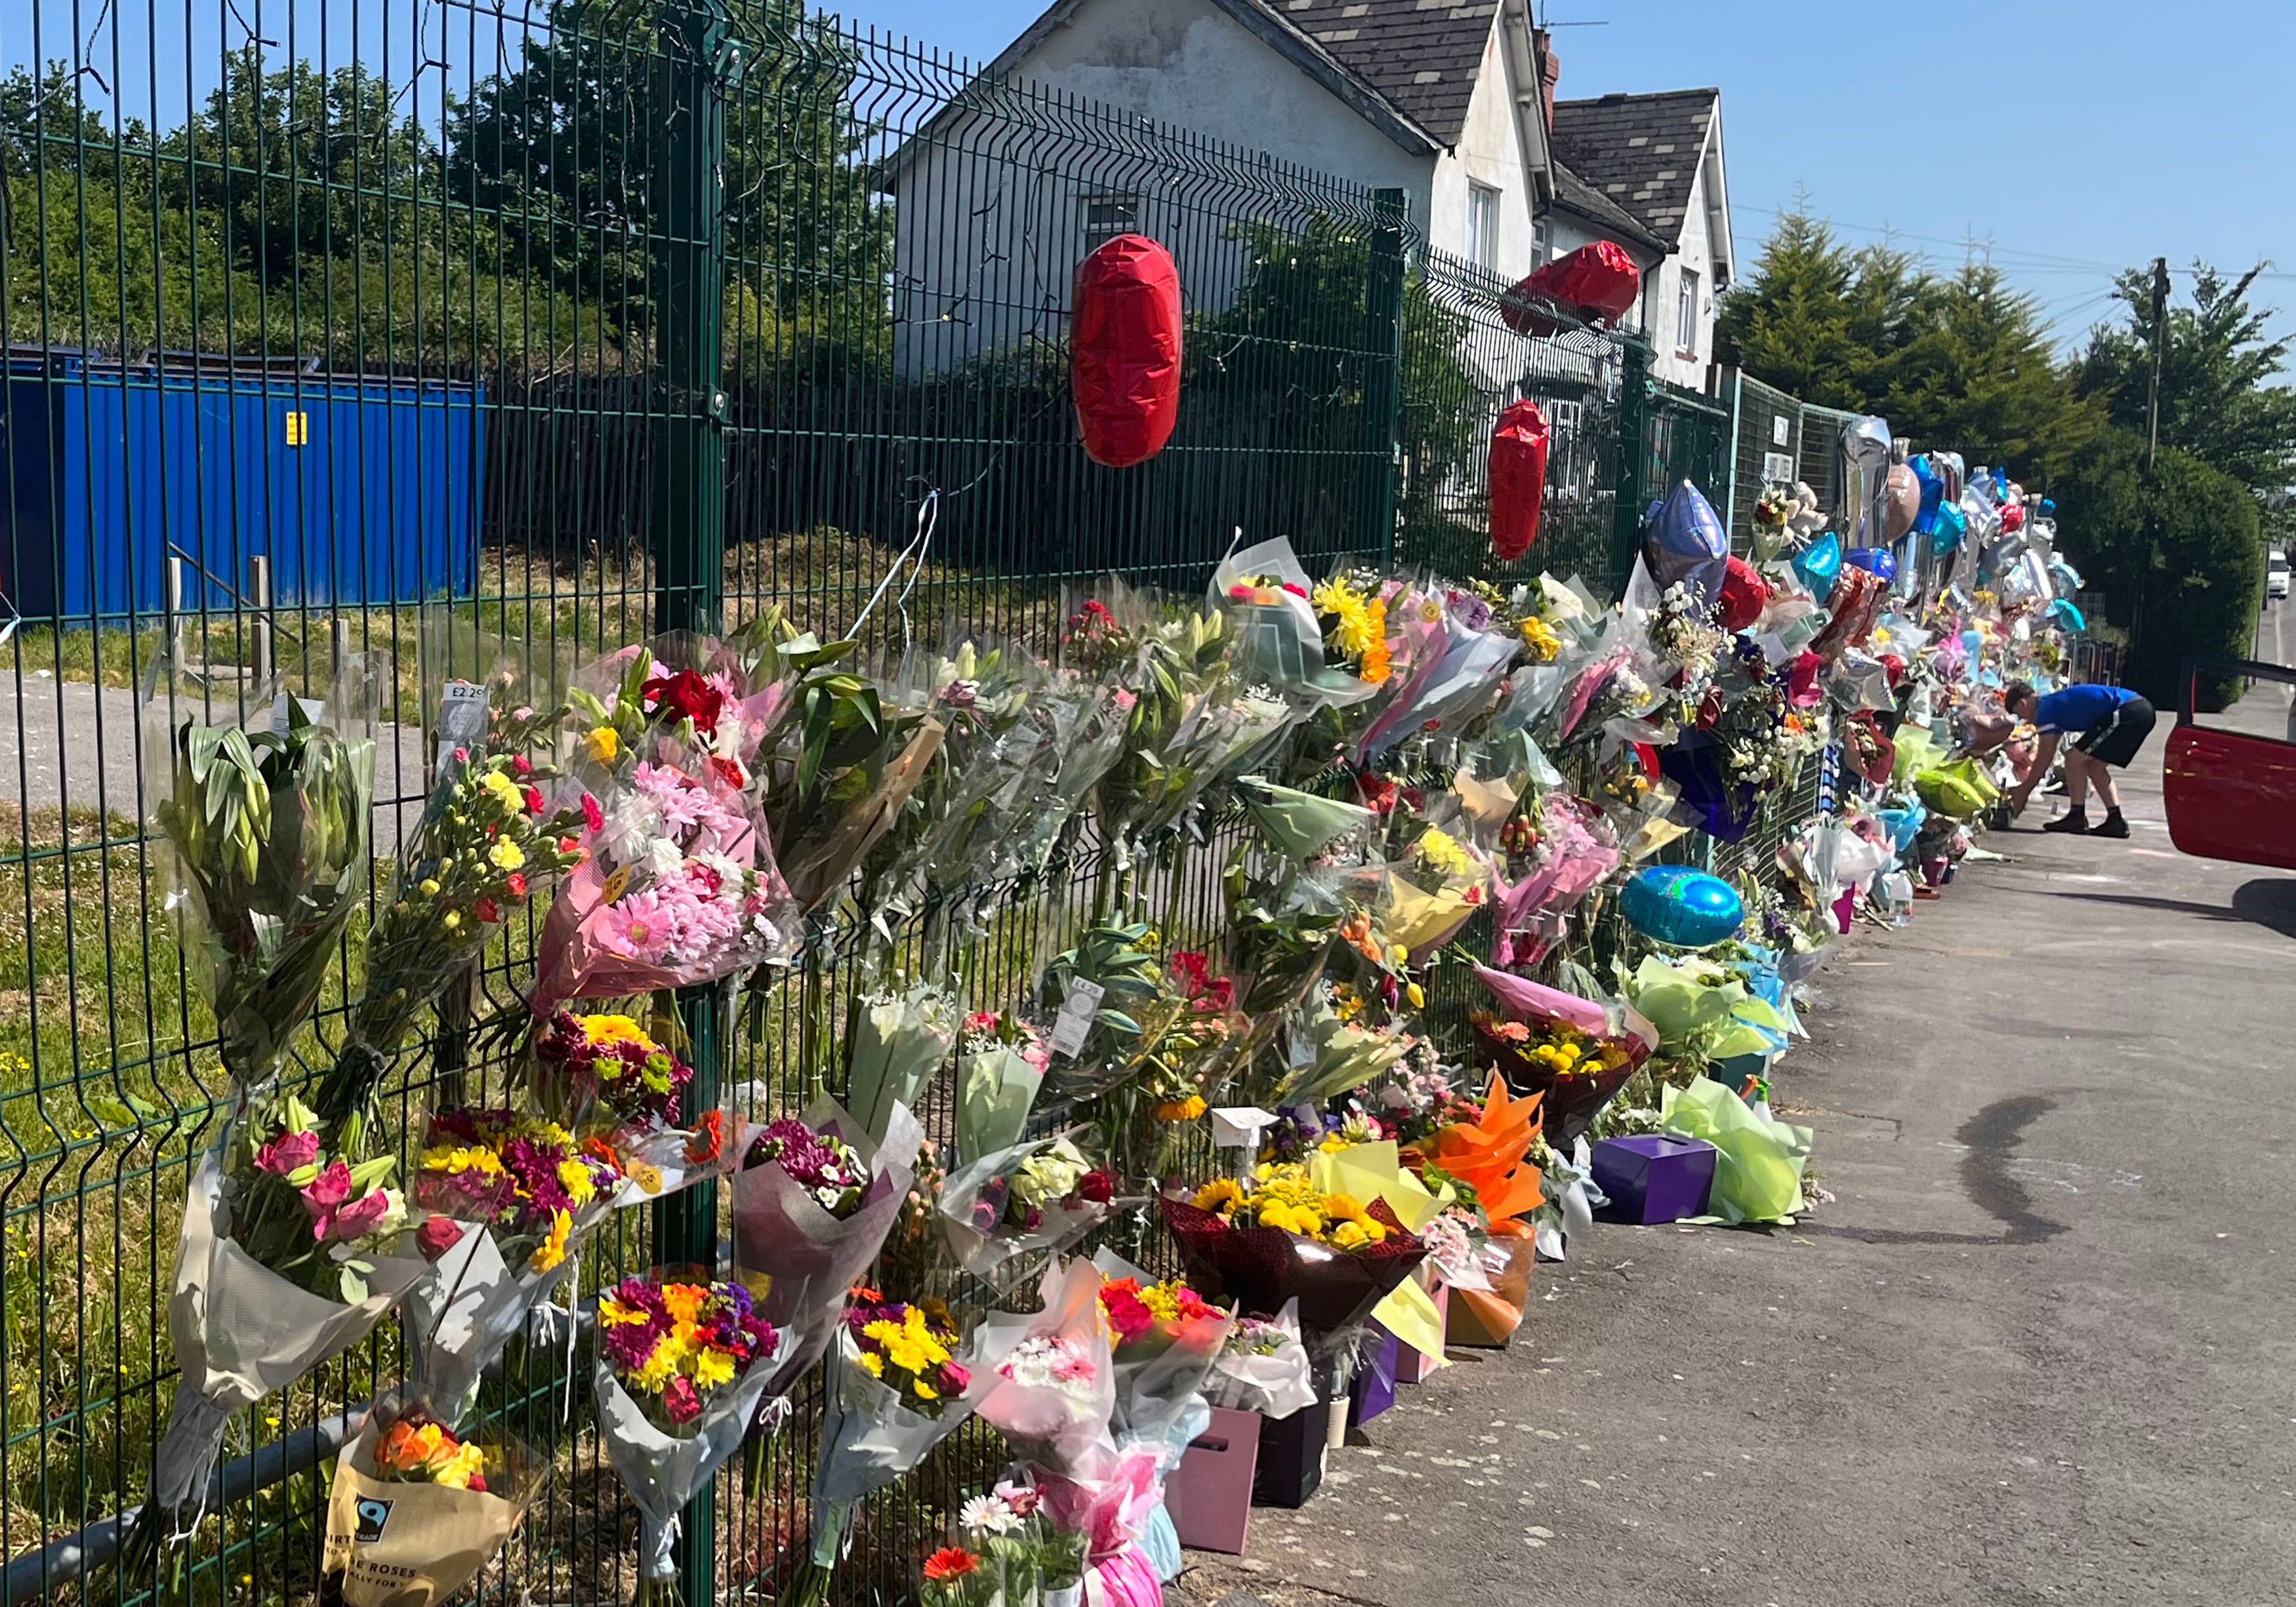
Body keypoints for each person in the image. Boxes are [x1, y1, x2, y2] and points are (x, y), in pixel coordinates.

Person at [2002, 680, 2156, 838]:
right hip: (2139, 709)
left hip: (2128, 711)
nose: (2025, 721)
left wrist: (2024, 790)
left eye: (2020, 715)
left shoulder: (2045, 709)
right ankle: (2114, 821)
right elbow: (2050, 751)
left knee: (2074, 759)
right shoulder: (2051, 703)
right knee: (2093, 766)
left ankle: (2077, 816)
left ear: (2023, 704)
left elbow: (2045, 756)